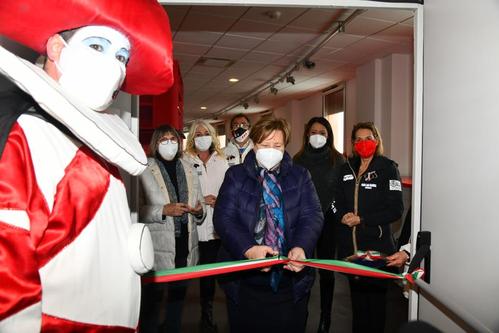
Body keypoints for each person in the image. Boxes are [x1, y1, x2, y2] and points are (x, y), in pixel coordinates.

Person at [0, 0, 173, 331]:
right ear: (56, 48)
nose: (113, 65)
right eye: (97, 45)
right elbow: (8, 272)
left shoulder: (100, 143)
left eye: (122, 57)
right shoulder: (26, 135)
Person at [214, 116, 324, 333]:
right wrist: (248, 248)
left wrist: (302, 246)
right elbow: (223, 218)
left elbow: (312, 215)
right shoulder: (235, 176)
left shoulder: (300, 176)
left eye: (277, 145)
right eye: (265, 145)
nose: (271, 150)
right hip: (245, 283)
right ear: (254, 146)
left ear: (285, 147)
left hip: (290, 280)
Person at [332, 121, 404, 333]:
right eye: (359, 139)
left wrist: (362, 219)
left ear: (377, 141)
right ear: (353, 144)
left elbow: (396, 210)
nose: (364, 143)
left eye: (368, 138)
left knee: (375, 308)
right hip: (350, 251)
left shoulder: (388, 168)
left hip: (377, 251)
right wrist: (342, 216)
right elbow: (334, 201)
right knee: (357, 305)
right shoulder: (345, 169)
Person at [138, 125, 206, 333]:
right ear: (155, 144)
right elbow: (136, 210)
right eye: (163, 139)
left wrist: (198, 211)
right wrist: (163, 210)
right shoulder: (143, 169)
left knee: (178, 299)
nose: (169, 143)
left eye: (173, 139)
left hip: (184, 244)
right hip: (157, 246)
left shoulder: (189, 168)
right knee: (152, 301)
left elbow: (201, 205)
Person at [293, 117, 345, 333]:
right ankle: (300, 312)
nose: (317, 136)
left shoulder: (338, 160)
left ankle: (326, 317)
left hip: (328, 223)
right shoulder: (297, 159)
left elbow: (342, 192)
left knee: (326, 271)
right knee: (301, 268)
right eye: (313, 131)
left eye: (322, 132)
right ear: (306, 134)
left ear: (329, 136)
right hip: (302, 223)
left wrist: (333, 211)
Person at [183, 120, 229, 333]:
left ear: (212, 136)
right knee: (196, 273)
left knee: (216, 273)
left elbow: (230, 192)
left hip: (218, 227)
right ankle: (198, 315)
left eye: (206, 133)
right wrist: (199, 201)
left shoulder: (221, 161)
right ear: (192, 137)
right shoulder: (186, 160)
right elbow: (184, 192)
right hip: (195, 226)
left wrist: (220, 200)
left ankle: (211, 314)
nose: (202, 136)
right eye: (197, 133)